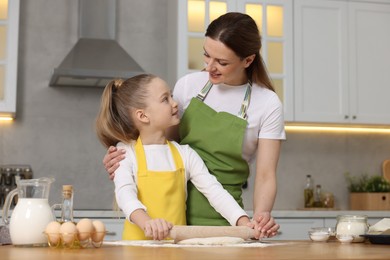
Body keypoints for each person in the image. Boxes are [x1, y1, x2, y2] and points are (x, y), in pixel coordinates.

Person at [103, 12, 285, 238]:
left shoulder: (267, 103)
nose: (209, 67)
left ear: (247, 60)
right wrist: (124, 158)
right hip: (172, 217)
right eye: (207, 56)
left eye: (222, 62)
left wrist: (257, 220)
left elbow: (265, 176)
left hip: (223, 217)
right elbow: (161, 144)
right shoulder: (189, 86)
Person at [95, 74, 259, 240]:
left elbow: (214, 191)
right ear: (143, 115)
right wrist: (147, 223)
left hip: (176, 249)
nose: (175, 103)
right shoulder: (126, 153)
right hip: (137, 248)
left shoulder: (185, 153)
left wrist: (243, 221)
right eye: (165, 99)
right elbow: (125, 194)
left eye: (171, 95)